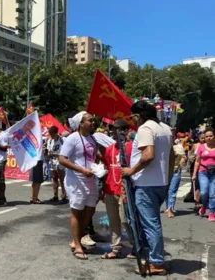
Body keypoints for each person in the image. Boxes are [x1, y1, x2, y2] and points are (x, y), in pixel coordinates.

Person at [122, 100, 174, 276]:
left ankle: (157, 262)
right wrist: (167, 179)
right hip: (159, 182)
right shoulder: (165, 128)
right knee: (153, 223)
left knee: (150, 224)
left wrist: (131, 170)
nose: (132, 121)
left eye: (132, 117)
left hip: (146, 183)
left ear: (138, 115)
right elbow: (171, 156)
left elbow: (148, 155)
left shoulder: (145, 129)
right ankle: (154, 257)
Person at [59, 111, 98, 260]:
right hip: (76, 180)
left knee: (90, 209)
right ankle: (77, 245)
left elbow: (93, 156)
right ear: (81, 123)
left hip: (90, 179)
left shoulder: (92, 138)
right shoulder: (72, 138)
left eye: (93, 120)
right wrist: (81, 169)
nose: (93, 123)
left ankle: (78, 237)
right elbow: (62, 159)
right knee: (77, 212)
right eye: (90, 120)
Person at [100, 119, 134, 260]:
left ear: (126, 131)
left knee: (126, 220)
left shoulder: (132, 147)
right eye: (113, 129)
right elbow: (107, 168)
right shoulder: (110, 149)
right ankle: (116, 248)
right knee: (113, 221)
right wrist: (103, 188)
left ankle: (136, 246)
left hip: (125, 190)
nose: (114, 132)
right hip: (110, 189)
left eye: (117, 129)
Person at [192, 128, 215, 221]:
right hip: (203, 172)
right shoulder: (201, 147)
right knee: (204, 192)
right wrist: (194, 174)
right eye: (206, 136)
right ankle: (204, 206)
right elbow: (197, 161)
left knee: (213, 194)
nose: (208, 138)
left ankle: (212, 212)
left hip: (214, 173)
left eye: (210, 136)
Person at [165, 143, 187, 218]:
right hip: (165, 172)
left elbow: (184, 157)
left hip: (175, 171)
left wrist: (182, 161)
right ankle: (168, 207)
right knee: (166, 190)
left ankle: (170, 209)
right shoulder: (163, 145)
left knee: (172, 191)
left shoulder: (178, 147)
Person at [46, 126, 67, 204]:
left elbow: (66, 151)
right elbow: (48, 151)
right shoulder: (50, 141)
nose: (51, 136)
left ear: (56, 133)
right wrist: (48, 154)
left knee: (62, 179)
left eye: (52, 134)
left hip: (60, 161)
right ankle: (55, 196)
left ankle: (64, 195)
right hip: (52, 161)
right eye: (50, 134)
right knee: (54, 178)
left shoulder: (63, 140)